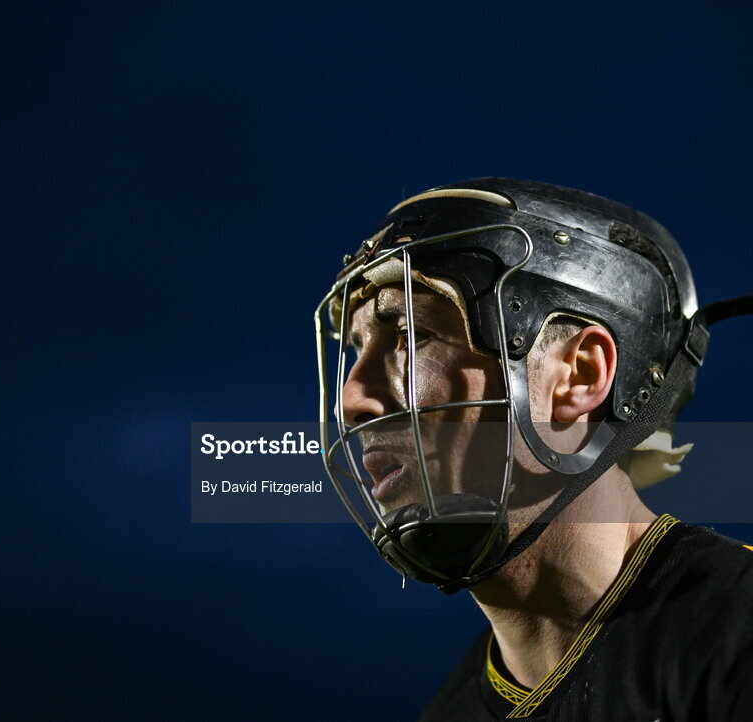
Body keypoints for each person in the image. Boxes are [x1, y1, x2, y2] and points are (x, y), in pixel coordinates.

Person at [315, 178, 753, 720]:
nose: (353, 398)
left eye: (412, 334)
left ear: (578, 375)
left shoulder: (735, 629)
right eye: (357, 350)